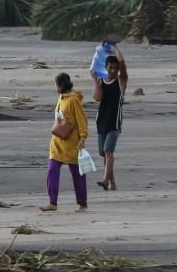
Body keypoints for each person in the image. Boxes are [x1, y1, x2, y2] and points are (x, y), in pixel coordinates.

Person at [40, 72, 89, 213]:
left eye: (56, 84)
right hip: (57, 143)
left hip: (73, 143)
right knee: (52, 170)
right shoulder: (61, 98)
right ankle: (52, 202)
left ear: (60, 85)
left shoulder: (73, 100)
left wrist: (83, 138)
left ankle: (82, 204)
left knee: (77, 174)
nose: (56, 87)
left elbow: (82, 120)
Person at [90, 40, 128, 191]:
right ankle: (112, 183)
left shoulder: (121, 81)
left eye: (115, 68)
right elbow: (97, 98)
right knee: (104, 154)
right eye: (110, 67)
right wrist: (95, 81)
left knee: (108, 150)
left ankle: (105, 180)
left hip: (114, 122)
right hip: (101, 121)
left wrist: (114, 46)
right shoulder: (101, 81)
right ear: (106, 68)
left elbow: (122, 61)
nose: (112, 70)